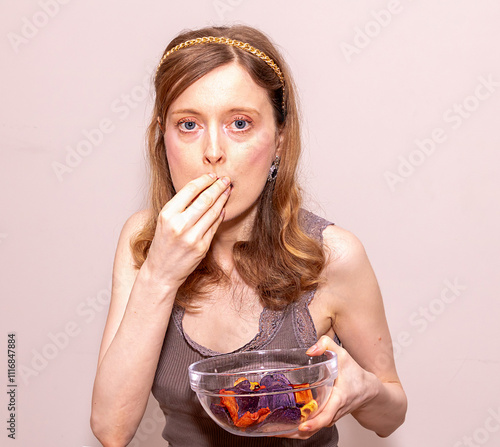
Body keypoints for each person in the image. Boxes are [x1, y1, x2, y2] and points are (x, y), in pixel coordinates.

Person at [90, 24, 407, 447]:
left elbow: (390, 417)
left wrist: (365, 389)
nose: (213, 152)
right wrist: (160, 276)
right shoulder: (143, 242)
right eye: (189, 125)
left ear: (278, 139)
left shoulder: (333, 255)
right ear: (161, 138)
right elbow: (111, 430)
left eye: (239, 123)